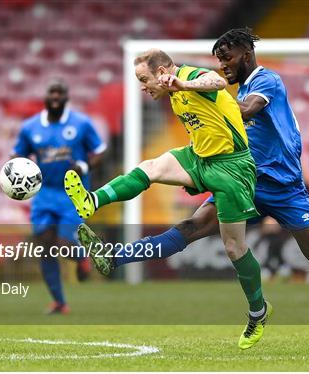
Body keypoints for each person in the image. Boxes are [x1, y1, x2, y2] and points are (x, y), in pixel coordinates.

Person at [76, 29, 309, 354]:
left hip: (285, 188)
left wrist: (197, 90)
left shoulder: (266, 81)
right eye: (218, 60)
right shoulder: (230, 89)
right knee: (190, 229)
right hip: (242, 181)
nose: (222, 65)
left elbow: (245, 109)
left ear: (246, 53)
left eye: (227, 58)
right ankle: (113, 257)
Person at [64, 48, 271, 350]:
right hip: (200, 157)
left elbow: (217, 82)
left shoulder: (188, 78)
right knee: (150, 167)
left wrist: (183, 84)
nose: (142, 87)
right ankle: (92, 200)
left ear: (163, 72)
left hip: (233, 167)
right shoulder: (172, 94)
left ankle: (258, 311)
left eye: (144, 79)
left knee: (234, 247)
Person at [12, 78, 106, 314]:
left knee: (63, 243)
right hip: (44, 192)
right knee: (45, 246)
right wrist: (14, 172)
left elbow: (100, 151)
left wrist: (84, 167)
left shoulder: (82, 124)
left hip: (72, 193)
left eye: (60, 93)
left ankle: (82, 257)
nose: (55, 97)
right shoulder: (30, 127)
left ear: (66, 97)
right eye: (51, 92)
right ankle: (59, 302)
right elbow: (18, 156)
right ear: (45, 97)